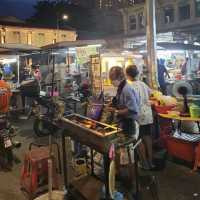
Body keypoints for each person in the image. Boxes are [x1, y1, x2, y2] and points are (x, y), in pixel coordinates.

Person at [126, 65, 154, 169]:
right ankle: (151, 162)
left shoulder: (129, 87)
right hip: (147, 114)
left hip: (137, 116)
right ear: (137, 73)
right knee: (147, 137)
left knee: (138, 140)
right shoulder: (143, 84)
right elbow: (152, 95)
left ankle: (144, 163)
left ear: (127, 75)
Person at [108, 66, 139, 136]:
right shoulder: (121, 87)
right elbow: (117, 100)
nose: (111, 82)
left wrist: (115, 111)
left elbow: (132, 109)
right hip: (124, 121)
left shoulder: (127, 89)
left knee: (130, 143)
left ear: (119, 78)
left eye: (112, 79)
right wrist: (112, 104)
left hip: (130, 123)